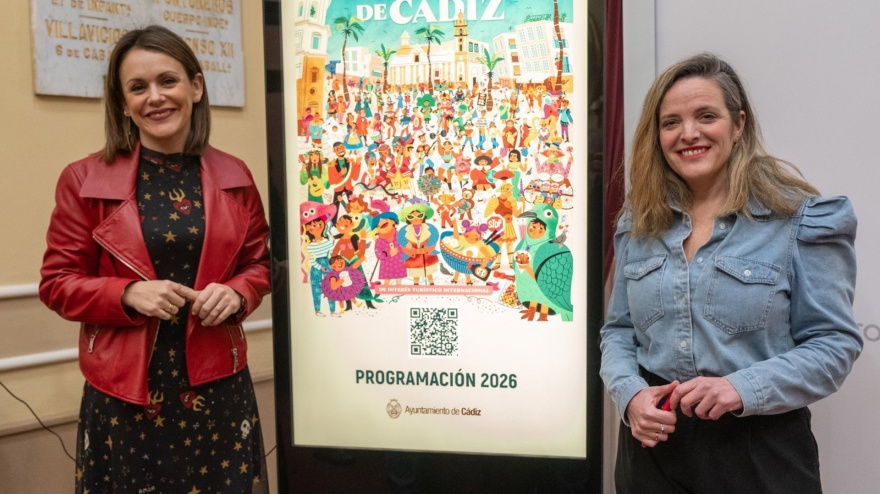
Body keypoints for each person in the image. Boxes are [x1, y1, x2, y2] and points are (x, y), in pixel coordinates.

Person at [600, 53, 861, 493]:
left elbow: (834, 345)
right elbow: (619, 332)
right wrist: (629, 396)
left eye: (706, 116)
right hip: (651, 454)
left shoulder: (799, 220)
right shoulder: (640, 220)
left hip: (760, 452)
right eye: (671, 123)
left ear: (738, 124)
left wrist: (741, 388)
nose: (689, 134)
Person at [39, 26, 270, 493]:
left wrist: (238, 292)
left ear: (196, 87)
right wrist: (126, 293)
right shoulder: (83, 179)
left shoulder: (236, 175)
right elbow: (56, 282)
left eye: (168, 81)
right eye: (138, 87)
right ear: (122, 103)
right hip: (126, 398)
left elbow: (261, 265)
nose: (156, 97)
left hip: (217, 388)